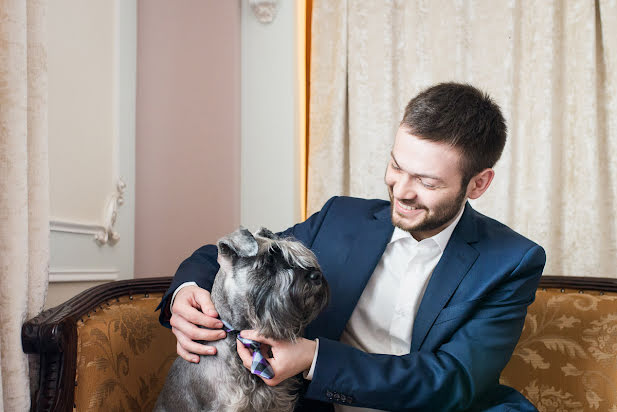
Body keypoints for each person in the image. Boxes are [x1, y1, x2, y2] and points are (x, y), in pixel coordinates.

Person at [157, 82, 546, 411]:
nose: (403, 192)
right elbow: (220, 257)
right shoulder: (340, 218)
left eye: (427, 183)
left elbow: (453, 379)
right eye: (397, 167)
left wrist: (315, 359)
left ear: (478, 184)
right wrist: (186, 293)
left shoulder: (510, 261)